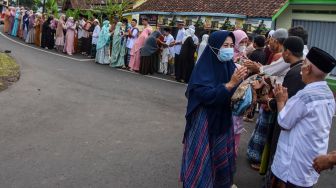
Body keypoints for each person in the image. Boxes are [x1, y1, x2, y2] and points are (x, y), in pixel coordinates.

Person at [180, 30, 247, 188]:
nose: (229, 49)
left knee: (219, 157)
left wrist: (245, 83)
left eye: (231, 45)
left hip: (223, 118)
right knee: (202, 158)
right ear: (214, 47)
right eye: (225, 45)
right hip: (205, 120)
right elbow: (203, 95)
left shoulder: (229, 65)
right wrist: (230, 84)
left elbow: (234, 91)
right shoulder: (203, 68)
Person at [270, 47, 336, 188]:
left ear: (307, 69)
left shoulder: (305, 96)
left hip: (294, 165)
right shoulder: (328, 94)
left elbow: (284, 123)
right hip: (311, 158)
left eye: (304, 64)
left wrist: (281, 100)